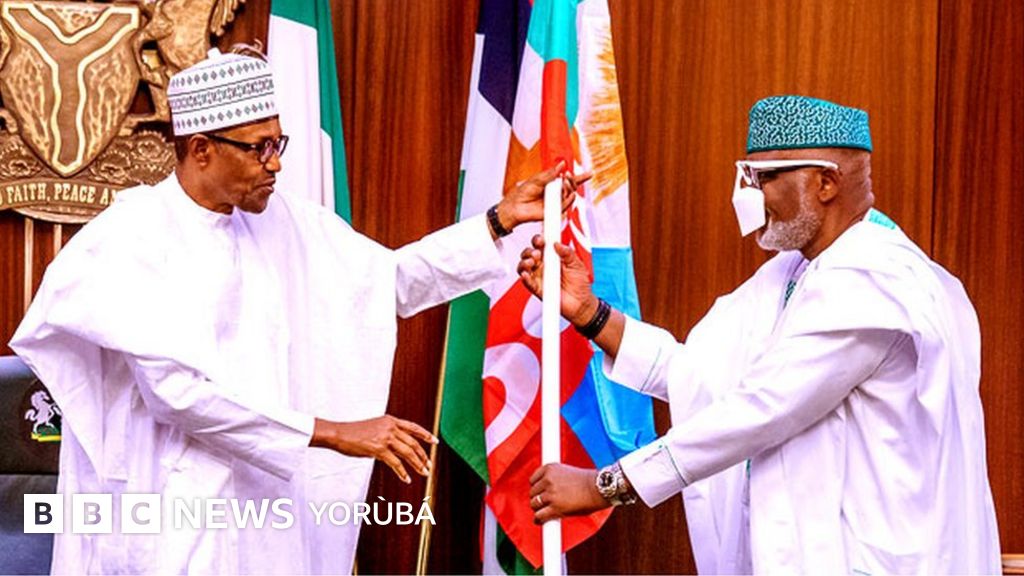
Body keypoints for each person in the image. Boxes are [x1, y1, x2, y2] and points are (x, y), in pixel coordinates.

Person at [10, 46, 580, 574]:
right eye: (257, 148)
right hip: (170, 512)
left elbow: (387, 283)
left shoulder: (284, 222)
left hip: (265, 510)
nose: (275, 164)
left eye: (277, 144)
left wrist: (499, 220)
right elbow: (179, 395)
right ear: (201, 149)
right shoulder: (132, 237)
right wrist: (334, 433)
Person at [518, 95, 1001, 574]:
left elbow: (760, 410)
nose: (748, 197)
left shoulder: (875, 279)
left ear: (826, 183)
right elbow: (699, 375)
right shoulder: (794, 271)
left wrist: (603, 487)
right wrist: (589, 313)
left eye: (763, 178)